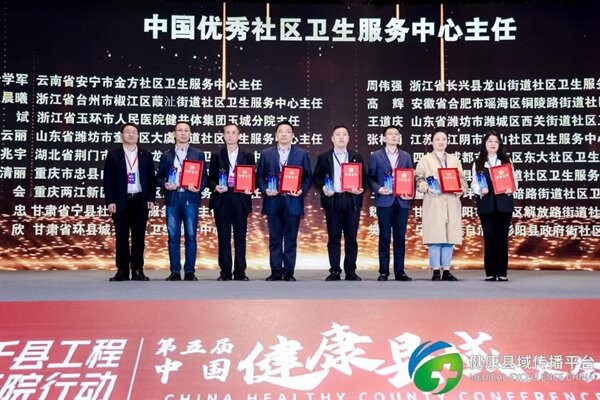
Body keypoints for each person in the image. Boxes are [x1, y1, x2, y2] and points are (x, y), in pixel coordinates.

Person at [256, 120, 312, 281]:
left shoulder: (301, 154)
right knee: (274, 239)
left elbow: (308, 176)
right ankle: (275, 272)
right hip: (273, 201)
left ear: (293, 135)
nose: (284, 134)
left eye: (287, 131)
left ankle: (288, 272)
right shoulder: (266, 153)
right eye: (281, 131)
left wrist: (301, 189)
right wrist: (265, 189)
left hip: (292, 201)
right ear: (275, 135)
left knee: (290, 240)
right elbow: (259, 177)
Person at [312, 125, 367, 281]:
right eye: (338, 134)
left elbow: (364, 178)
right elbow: (316, 178)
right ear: (332, 138)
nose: (341, 137)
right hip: (333, 201)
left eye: (344, 134)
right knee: (334, 237)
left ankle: (350, 271)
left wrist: (360, 188)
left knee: (351, 238)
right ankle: (335, 271)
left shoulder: (356, 157)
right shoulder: (324, 157)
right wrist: (323, 187)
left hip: (351, 200)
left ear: (348, 138)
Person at [103, 122, 156, 281]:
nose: (131, 134)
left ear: (138, 136)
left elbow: (151, 180)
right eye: (128, 132)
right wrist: (110, 200)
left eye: (134, 132)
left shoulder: (146, 155)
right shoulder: (113, 155)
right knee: (121, 237)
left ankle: (138, 269)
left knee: (139, 237)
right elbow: (108, 180)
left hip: (140, 200)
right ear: (121, 136)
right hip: (120, 200)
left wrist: (151, 198)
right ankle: (122, 270)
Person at [156, 121, 207, 281]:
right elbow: (158, 178)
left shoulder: (198, 154)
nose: (183, 133)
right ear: (174, 133)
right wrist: (165, 184)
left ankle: (190, 271)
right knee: (173, 236)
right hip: (173, 198)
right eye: (180, 130)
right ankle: (175, 271)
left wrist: (198, 187)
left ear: (190, 134)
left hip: (190, 198)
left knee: (191, 235)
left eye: (186, 130)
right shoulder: (167, 155)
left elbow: (204, 178)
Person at [415, 128, 467, 281]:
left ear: (447, 142)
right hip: (434, 200)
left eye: (444, 139)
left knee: (449, 238)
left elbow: (462, 180)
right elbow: (419, 180)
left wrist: (461, 189)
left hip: (451, 200)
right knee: (435, 237)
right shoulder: (425, 160)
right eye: (437, 139)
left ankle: (447, 270)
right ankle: (436, 270)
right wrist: (427, 188)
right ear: (432, 142)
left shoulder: (454, 160)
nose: (441, 142)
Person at [208, 123, 255, 281]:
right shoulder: (217, 155)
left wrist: (250, 188)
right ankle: (225, 272)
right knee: (223, 237)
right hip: (222, 199)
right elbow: (210, 179)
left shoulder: (248, 155)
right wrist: (215, 187)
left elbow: (252, 177)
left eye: (234, 132)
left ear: (239, 136)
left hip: (240, 199)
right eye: (227, 132)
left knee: (240, 237)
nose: (230, 135)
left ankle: (240, 272)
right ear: (223, 136)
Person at [368, 125, 414, 282]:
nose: (394, 136)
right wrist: (378, 189)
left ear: (399, 138)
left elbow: (410, 178)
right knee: (385, 237)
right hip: (384, 202)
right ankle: (383, 272)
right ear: (384, 138)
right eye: (390, 134)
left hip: (402, 202)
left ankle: (400, 272)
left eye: (396, 134)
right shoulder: (376, 156)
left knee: (400, 237)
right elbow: (370, 178)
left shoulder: (406, 156)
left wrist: (409, 193)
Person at [471, 131, 516, 282]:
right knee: (489, 238)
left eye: (496, 141)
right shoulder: (478, 162)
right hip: (486, 205)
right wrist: (479, 190)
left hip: (504, 205)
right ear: (485, 144)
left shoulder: (506, 161)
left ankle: (502, 272)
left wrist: (511, 187)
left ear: (499, 145)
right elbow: (474, 184)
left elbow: (515, 181)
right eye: (490, 141)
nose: (493, 144)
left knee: (502, 239)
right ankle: (490, 272)